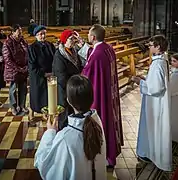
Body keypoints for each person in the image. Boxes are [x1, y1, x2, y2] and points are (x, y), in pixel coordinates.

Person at [35, 75, 106, 180]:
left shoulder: (65, 139)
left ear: (68, 100)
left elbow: (47, 168)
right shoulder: (97, 121)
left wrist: (50, 132)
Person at [77, 24, 123, 167]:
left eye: (89, 35)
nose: (88, 37)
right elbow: (92, 51)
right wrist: (82, 44)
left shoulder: (97, 55)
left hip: (100, 94)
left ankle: (104, 156)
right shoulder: (107, 49)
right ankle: (110, 153)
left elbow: (87, 73)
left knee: (101, 121)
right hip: (109, 92)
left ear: (93, 37)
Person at [131, 35, 172, 171]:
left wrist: (140, 82)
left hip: (155, 104)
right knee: (153, 128)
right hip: (156, 102)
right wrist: (146, 78)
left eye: (151, 45)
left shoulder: (158, 63)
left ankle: (150, 154)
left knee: (152, 128)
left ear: (158, 47)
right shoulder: (162, 60)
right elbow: (156, 81)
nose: (149, 46)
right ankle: (150, 152)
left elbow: (156, 88)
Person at [52, 29, 83, 130]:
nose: (73, 41)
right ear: (64, 40)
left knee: (72, 116)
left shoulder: (73, 51)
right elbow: (61, 77)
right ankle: (62, 136)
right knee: (64, 117)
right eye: (70, 39)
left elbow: (79, 65)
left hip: (73, 89)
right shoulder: (59, 55)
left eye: (73, 39)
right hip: (64, 91)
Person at [2, 24, 29, 116]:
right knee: (13, 90)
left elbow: (27, 53)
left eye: (21, 32)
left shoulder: (23, 41)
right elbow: (7, 59)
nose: (20, 34)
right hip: (13, 70)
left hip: (23, 69)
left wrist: (26, 66)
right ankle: (13, 107)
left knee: (23, 88)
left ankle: (22, 106)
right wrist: (18, 68)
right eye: (18, 32)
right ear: (13, 32)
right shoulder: (7, 43)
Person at [28, 25, 55, 115]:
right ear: (36, 35)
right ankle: (32, 113)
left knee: (48, 97)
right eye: (40, 34)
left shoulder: (50, 45)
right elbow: (32, 66)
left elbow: (54, 59)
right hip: (38, 77)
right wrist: (44, 74)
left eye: (44, 34)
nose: (43, 36)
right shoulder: (32, 48)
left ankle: (46, 113)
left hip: (50, 76)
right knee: (37, 98)